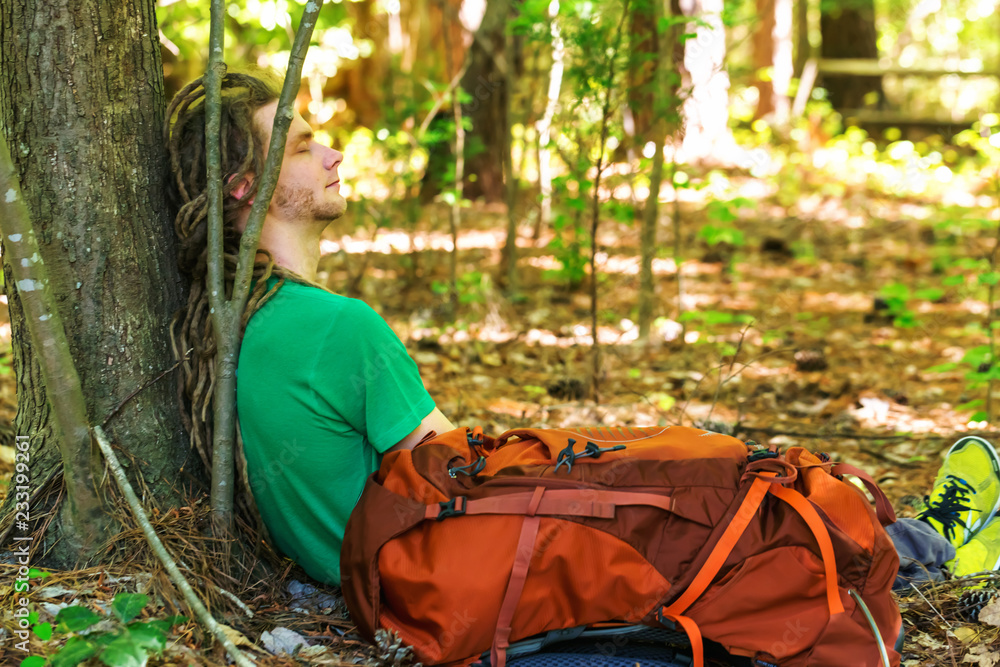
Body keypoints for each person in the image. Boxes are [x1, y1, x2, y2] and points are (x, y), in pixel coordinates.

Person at [164, 69, 453, 587]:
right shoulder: (337, 327)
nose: (333, 155)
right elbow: (462, 474)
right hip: (443, 578)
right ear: (244, 186)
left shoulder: (221, 328)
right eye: (301, 148)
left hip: (355, 590)